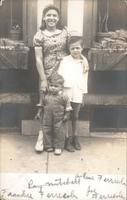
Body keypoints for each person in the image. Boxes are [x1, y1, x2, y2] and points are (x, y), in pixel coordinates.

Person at [33, 4, 70, 152]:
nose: (51, 18)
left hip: (63, 74)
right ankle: (41, 138)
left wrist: (84, 61)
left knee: (63, 105)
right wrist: (43, 79)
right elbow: (38, 59)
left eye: (54, 15)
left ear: (58, 18)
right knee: (44, 106)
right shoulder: (39, 35)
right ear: (43, 17)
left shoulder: (65, 33)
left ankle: (62, 140)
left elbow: (75, 50)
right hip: (47, 74)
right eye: (48, 15)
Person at [58, 36, 89, 152]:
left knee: (75, 117)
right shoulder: (65, 61)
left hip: (78, 92)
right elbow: (60, 77)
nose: (75, 50)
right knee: (66, 116)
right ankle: (66, 140)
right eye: (72, 48)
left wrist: (84, 95)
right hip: (66, 92)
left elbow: (85, 79)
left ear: (82, 48)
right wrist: (60, 92)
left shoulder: (84, 63)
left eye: (78, 48)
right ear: (69, 49)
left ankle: (75, 137)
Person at [35, 73, 72, 155]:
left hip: (59, 118)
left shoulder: (63, 96)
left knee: (59, 131)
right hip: (47, 116)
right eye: (51, 85)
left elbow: (68, 107)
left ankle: (58, 147)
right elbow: (42, 105)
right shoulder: (46, 95)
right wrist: (38, 113)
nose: (53, 88)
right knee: (46, 129)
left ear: (61, 87)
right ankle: (48, 146)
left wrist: (67, 115)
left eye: (56, 86)